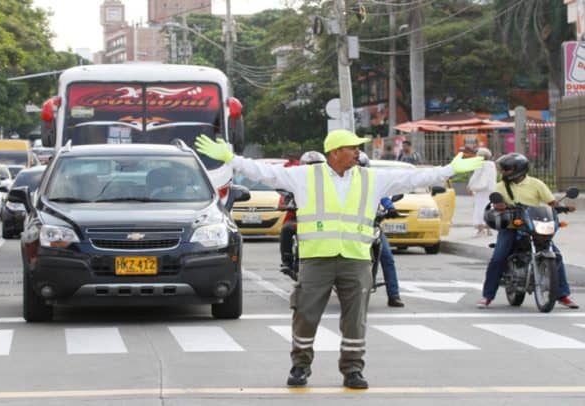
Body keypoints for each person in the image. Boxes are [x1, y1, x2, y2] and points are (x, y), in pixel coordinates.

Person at [194, 129, 483, 389]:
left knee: (355, 318)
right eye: (352, 147)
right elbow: (263, 172)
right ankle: (300, 366)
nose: (357, 152)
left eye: (358, 148)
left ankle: (353, 370)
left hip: (356, 260)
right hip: (316, 260)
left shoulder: (373, 178)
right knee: (305, 315)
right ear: (334, 152)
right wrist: (231, 159)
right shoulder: (305, 175)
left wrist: (450, 169)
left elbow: (415, 177)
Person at [477, 152, 579, 309]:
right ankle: (487, 296)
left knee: (556, 256)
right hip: (512, 227)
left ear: (519, 169)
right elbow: (495, 203)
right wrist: (499, 206)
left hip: (534, 226)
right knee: (498, 258)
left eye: (507, 169)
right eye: (503, 169)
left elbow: (551, 202)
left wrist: (561, 207)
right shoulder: (500, 187)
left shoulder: (536, 184)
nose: (504, 173)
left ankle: (563, 295)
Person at [358, 152, 404, 308]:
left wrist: (391, 209)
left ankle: (394, 295)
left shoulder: (373, 185)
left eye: (363, 169)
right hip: (351, 230)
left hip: (372, 226)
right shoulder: (343, 186)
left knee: (387, 257)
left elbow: (384, 197)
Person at [280, 150, 326, 277]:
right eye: (310, 166)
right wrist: (287, 205)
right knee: (286, 229)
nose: (314, 169)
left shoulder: (329, 183)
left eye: (318, 166)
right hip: (299, 219)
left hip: (323, 221)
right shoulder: (295, 182)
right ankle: (287, 260)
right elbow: (285, 199)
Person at [467, 147, 497, 236]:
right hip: (490, 189)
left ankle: (480, 229)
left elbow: (476, 176)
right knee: (489, 208)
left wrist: (470, 185)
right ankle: (488, 229)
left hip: (481, 190)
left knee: (479, 208)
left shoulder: (480, 164)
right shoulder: (492, 165)